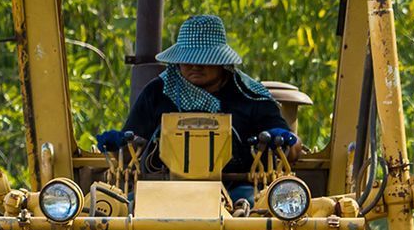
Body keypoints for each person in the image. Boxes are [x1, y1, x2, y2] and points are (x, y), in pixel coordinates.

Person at [96, 14, 296, 180]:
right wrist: (116, 144)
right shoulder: (157, 92)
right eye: (187, 59)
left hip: (237, 188)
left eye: (203, 59)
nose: (194, 65)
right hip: (160, 189)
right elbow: (126, 151)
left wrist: (286, 142)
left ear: (221, 62)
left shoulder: (251, 97)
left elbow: (293, 149)